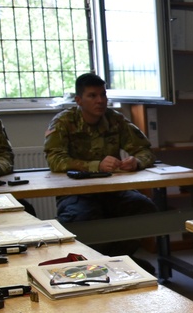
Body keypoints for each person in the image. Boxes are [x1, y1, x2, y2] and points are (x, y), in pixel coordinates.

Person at [44, 72, 158, 257]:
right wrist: (96, 166)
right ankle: (99, 263)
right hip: (77, 192)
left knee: (144, 209)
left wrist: (136, 161)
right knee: (81, 219)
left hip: (113, 190)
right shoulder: (64, 122)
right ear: (79, 100)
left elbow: (146, 151)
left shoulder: (115, 120)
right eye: (92, 96)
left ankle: (119, 259)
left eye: (103, 95)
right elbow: (55, 160)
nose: (100, 101)